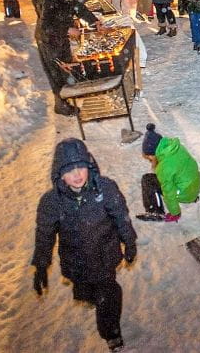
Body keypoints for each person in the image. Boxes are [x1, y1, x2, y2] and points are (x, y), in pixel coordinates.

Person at [31, 137, 136, 352]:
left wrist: (129, 241)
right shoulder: (51, 202)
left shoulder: (105, 188)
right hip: (76, 260)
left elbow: (121, 216)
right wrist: (41, 265)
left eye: (81, 167)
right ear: (59, 174)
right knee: (87, 292)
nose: (77, 175)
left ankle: (111, 332)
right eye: (69, 170)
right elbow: (44, 235)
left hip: (104, 255)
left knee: (108, 295)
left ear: (89, 166)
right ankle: (94, 297)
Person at [35, 0, 103, 116]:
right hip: (48, 40)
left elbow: (80, 9)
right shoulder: (49, 0)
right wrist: (67, 29)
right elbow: (46, 25)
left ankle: (68, 96)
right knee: (56, 71)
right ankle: (60, 105)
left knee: (67, 65)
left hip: (61, 38)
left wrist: (94, 21)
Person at [137, 124, 200, 222]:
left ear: (154, 153)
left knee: (147, 180)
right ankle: (191, 196)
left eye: (149, 156)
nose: (149, 159)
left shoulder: (164, 167)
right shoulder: (176, 147)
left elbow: (169, 192)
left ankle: (155, 211)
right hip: (194, 186)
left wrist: (175, 213)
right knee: (174, 175)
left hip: (185, 193)